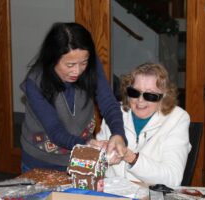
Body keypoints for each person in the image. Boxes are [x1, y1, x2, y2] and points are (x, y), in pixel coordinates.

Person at [20, 22, 127, 172]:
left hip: (80, 158)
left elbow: (108, 102)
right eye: (70, 65)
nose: (77, 71)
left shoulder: (91, 65)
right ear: (52, 59)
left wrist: (118, 134)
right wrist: (88, 143)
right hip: (40, 163)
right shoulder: (36, 81)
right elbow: (56, 131)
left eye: (83, 63)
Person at [97, 63, 191, 187]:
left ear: (164, 97)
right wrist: (101, 154)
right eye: (134, 93)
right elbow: (97, 166)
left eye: (150, 95)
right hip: (112, 192)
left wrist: (132, 158)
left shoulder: (177, 119)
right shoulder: (114, 113)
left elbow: (172, 178)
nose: (140, 101)